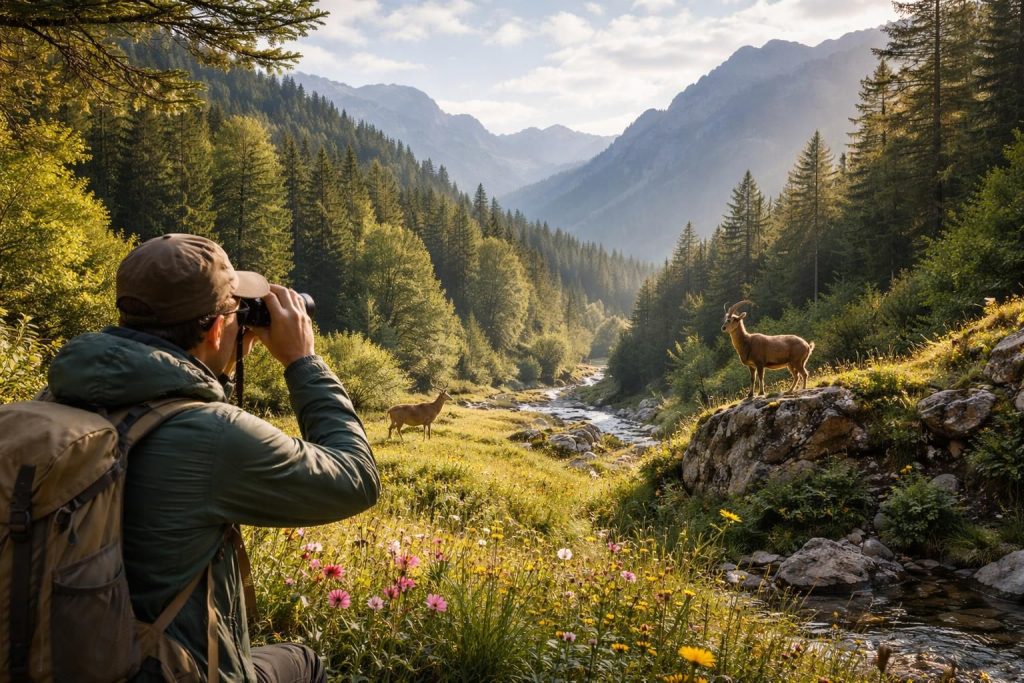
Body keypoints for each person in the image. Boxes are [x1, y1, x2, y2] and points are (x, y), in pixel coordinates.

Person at [45, 233, 380, 682]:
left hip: (59, 658)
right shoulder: (208, 434)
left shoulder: (55, 399)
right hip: (168, 669)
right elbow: (356, 477)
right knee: (303, 662)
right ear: (218, 328)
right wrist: (303, 361)